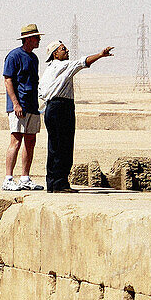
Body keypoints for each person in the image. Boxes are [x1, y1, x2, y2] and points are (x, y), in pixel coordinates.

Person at [39, 39, 114, 192]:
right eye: (63, 49)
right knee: (64, 146)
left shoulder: (48, 70)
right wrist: (100, 54)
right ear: (55, 54)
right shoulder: (64, 65)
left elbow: (41, 91)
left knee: (53, 147)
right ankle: (60, 184)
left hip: (50, 108)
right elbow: (82, 62)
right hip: (62, 108)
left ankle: (52, 183)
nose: (67, 51)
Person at [2, 24, 44, 191]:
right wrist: (15, 103)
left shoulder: (34, 58)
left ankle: (25, 178)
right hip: (18, 106)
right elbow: (8, 80)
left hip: (32, 105)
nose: (39, 40)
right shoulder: (14, 56)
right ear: (28, 39)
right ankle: (8, 178)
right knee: (16, 140)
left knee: (31, 141)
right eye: (36, 38)